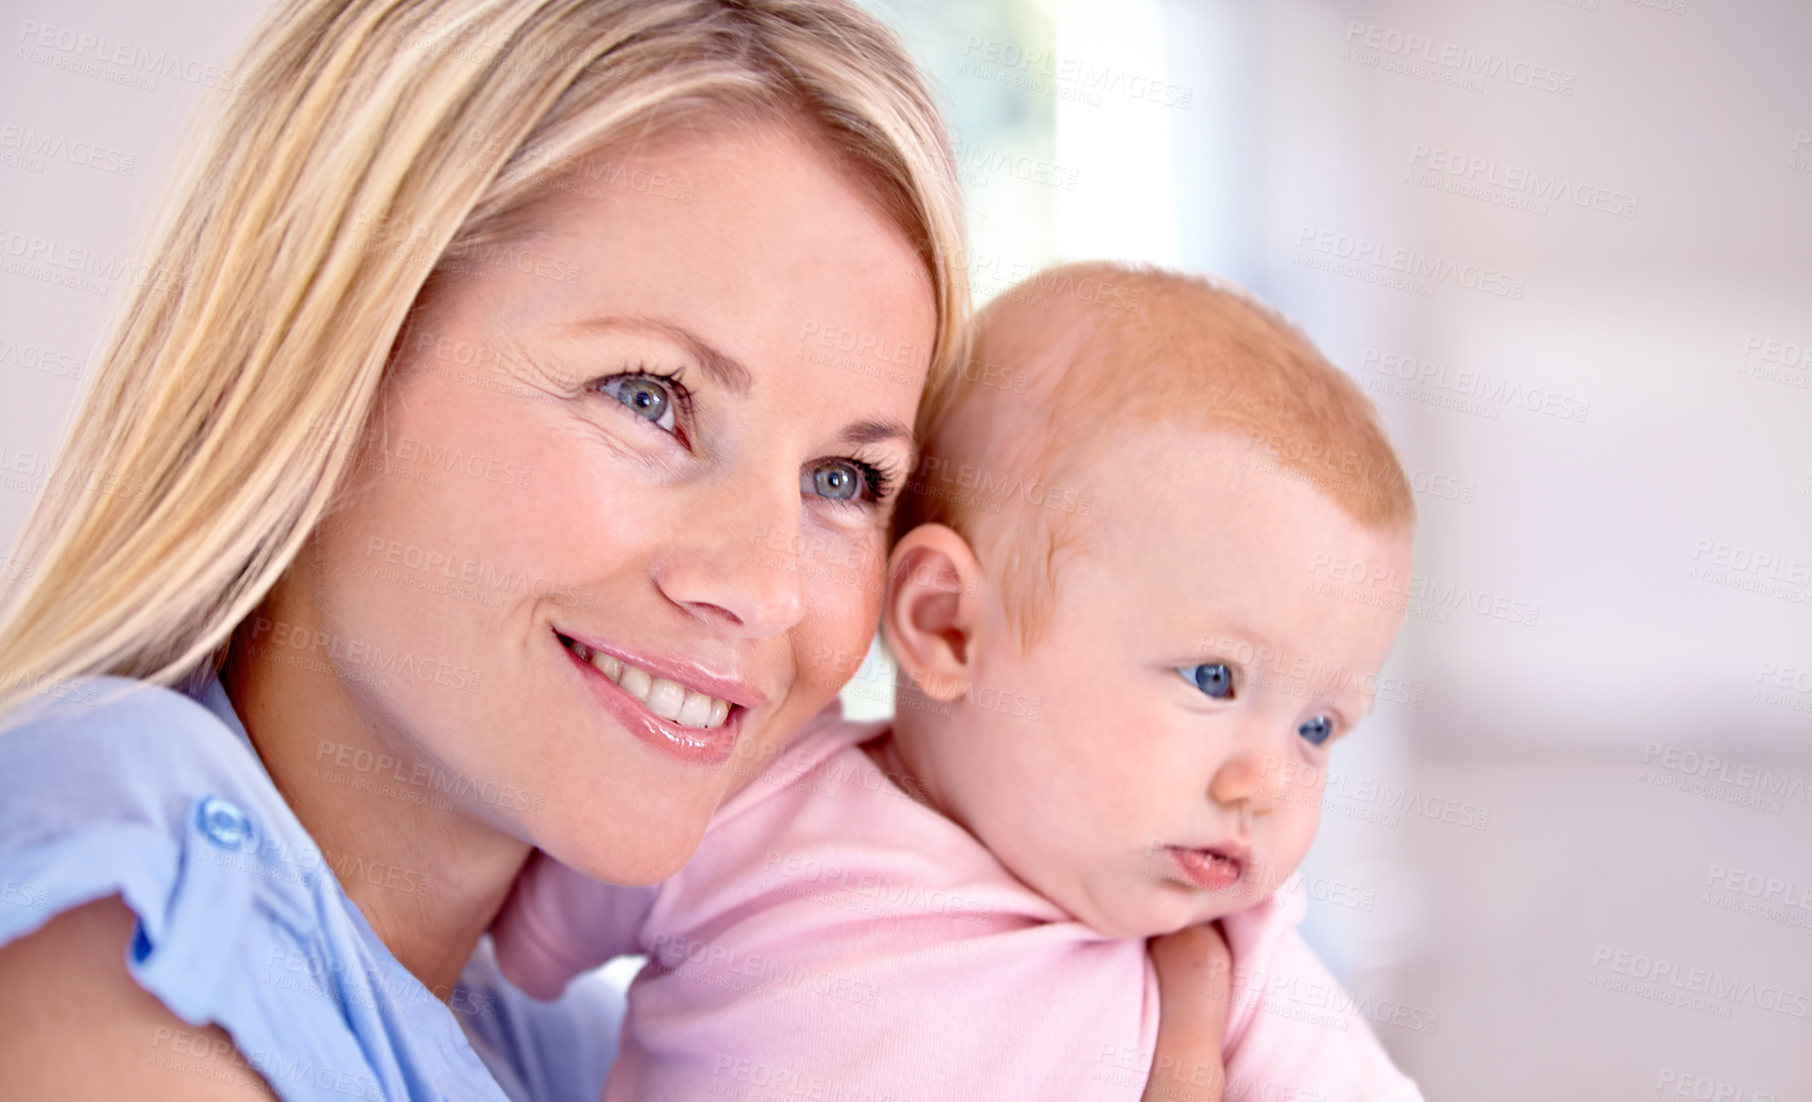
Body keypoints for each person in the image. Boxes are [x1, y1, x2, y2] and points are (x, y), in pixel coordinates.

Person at [0, 0, 969, 1097]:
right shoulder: (119, 906)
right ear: (340, 348)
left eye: (843, 480)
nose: (764, 588)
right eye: (650, 397)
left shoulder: (565, 1052)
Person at [492, 262, 1430, 1101]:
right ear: (948, 625)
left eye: (1318, 728)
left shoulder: (1237, 967)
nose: (1267, 785)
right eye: (1216, 679)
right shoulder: (737, 801)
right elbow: (500, 956)